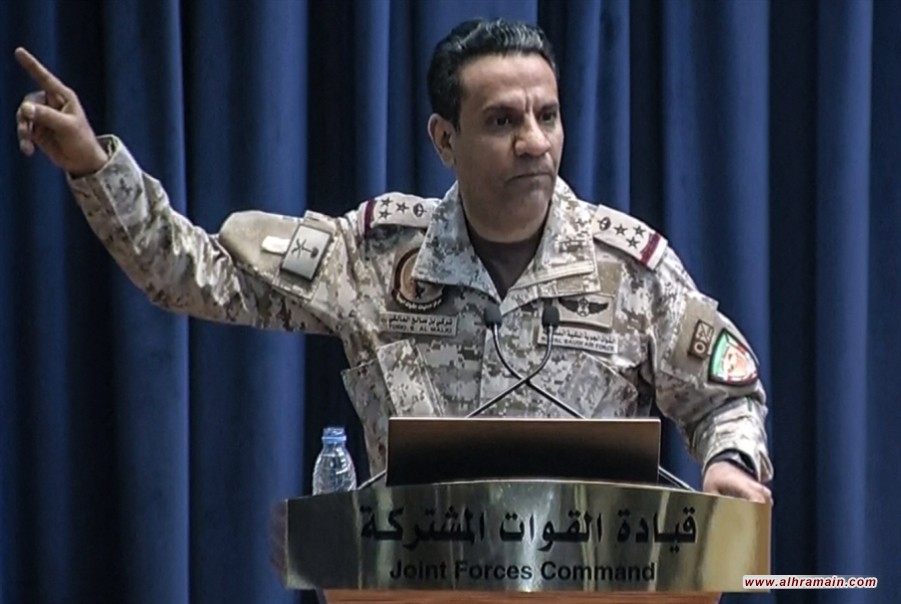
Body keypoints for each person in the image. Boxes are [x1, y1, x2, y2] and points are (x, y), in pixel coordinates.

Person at [14, 18, 772, 504]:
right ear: (444, 140)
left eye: (547, 115)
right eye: (502, 121)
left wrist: (730, 463)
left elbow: (725, 397)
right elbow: (193, 274)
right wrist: (93, 166)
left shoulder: (630, 266)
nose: (534, 142)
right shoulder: (374, 256)